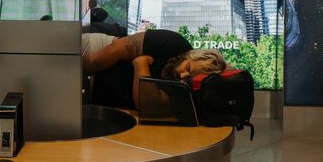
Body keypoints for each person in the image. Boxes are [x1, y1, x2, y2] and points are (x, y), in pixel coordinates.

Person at [83, 29, 227, 109]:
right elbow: (121, 47)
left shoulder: (185, 91)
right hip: (97, 56)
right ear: (190, 55)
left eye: (190, 78)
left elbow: (146, 104)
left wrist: (141, 64)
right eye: (187, 67)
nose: (183, 75)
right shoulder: (173, 43)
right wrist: (83, 71)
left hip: (97, 98)